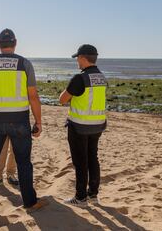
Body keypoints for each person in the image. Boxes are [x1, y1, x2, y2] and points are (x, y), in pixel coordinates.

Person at [0, 28, 47, 210]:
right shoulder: (24, 63)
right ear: (15, 44)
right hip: (19, 120)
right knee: (24, 161)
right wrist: (38, 122)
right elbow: (33, 96)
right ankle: (30, 202)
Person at [59, 44, 107, 207]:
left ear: (82, 58)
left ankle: (80, 198)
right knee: (93, 158)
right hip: (97, 125)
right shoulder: (102, 77)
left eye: (77, 58)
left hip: (79, 126)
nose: (77, 62)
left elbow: (62, 99)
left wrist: (72, 98)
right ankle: (93, 195)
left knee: (80, 162)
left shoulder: (80, 78)